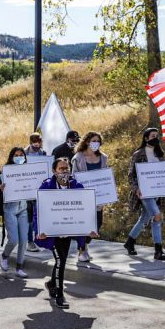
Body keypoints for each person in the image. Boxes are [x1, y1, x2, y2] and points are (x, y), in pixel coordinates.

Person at [34, 157, 97, 308]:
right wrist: (40, 230)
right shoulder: (46, 188)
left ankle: (51, 283)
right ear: (54, 171)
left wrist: (90, 229)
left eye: (66, 168)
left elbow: (85, 210)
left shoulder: (77, 186)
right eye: (61, 169)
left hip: (68, 231)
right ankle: (60, 295)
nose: (64, 171)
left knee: (60, 260)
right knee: (61, 261)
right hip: (52, 233)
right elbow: (38, 212)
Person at [123, 127, 165, 261]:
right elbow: (131, 174)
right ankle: (158, 250)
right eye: (152, 136)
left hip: (157, 192)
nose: (155, 138)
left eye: (157, 136)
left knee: (144, 218)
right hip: (144, 192)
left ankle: (129, 242)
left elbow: (164, 172)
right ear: (146, 138)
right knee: (157, 216)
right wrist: (135, 188)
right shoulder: (138, 154)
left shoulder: (160, 154)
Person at [70, 131, 108, 263]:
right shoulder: (78, 158)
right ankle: (82, 249)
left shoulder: (103, 157)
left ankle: (84, 243)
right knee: (84, 224)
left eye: (98, 141)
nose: (96, 144)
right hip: (83, 196)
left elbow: (106, 176)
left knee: (97, 225)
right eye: (93, 141)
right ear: (86, 142)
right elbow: (74, 176)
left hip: (98, 197)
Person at [0, 147, 30, 277]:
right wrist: (0, 189)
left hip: (23, 208)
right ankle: (4, 255)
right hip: (10, 209)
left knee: (24, 240)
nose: (19, 157)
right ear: (12, 157)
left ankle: (19, 267)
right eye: (16, 155)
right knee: (14, 239)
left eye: (21, 155)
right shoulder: (5, 171)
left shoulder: (29, 171)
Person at [25, 133, 47, 253]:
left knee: (38, 215)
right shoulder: (24, 153)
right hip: (27, 189)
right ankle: (29, 241)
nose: (36, 144)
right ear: (30, 142)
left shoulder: (43, 154)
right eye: (34, 142)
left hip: (39, 189)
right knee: (29, 217)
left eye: (39, 142)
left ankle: (38, 238)